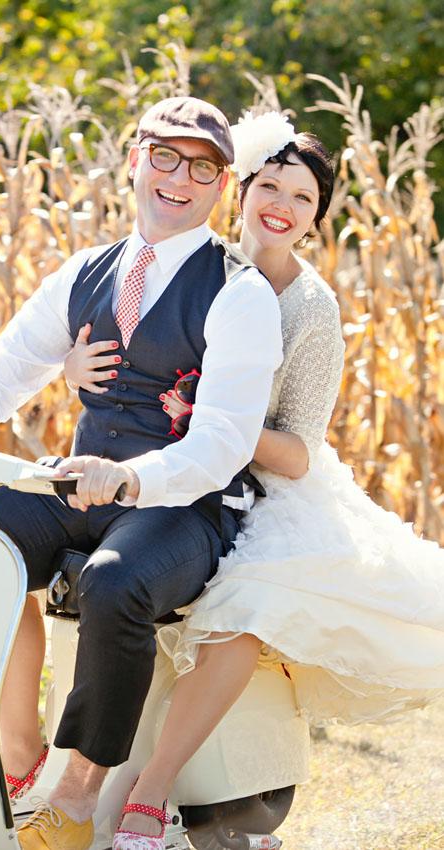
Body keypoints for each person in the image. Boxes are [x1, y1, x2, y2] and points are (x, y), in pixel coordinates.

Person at [0, 97, 283, 850]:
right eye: (165, 157)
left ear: (221, 186)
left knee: (116, 582)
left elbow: (222, 442)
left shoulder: (238, 294)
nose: (179, 177)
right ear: (136, 159)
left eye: (202, 166)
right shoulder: (86, 271)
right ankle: (19, 759)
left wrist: (132, 477)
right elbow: (4, 369)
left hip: (184, 504)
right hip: (80, 485)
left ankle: (77, 800)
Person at [64, 111, 444, 850]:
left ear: (317, 219)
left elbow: (299, 452)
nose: (282, 206)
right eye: (269, 185)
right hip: (167, 479)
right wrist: (72, 368)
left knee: (247, 605)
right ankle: (38, 769)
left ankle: (152, 792)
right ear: (238, 191)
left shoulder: (311, 309)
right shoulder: (193, 264)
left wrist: (221, 424)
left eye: (302, 199)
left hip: (267, 490)